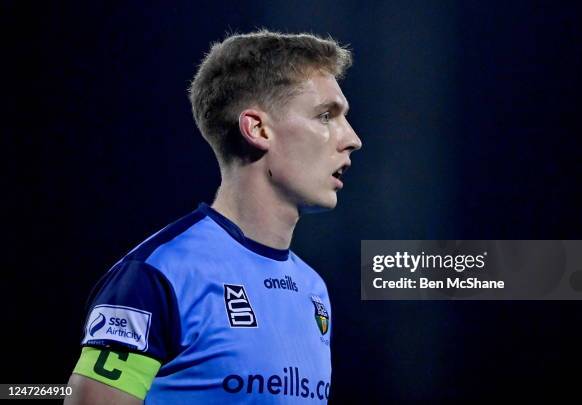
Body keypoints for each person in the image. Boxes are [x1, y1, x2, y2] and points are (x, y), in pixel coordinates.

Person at [65, 29, 362, 404]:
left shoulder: (313, 289)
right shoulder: (157, 275)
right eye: (325, 116)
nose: (352, 138)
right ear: (257, 128)